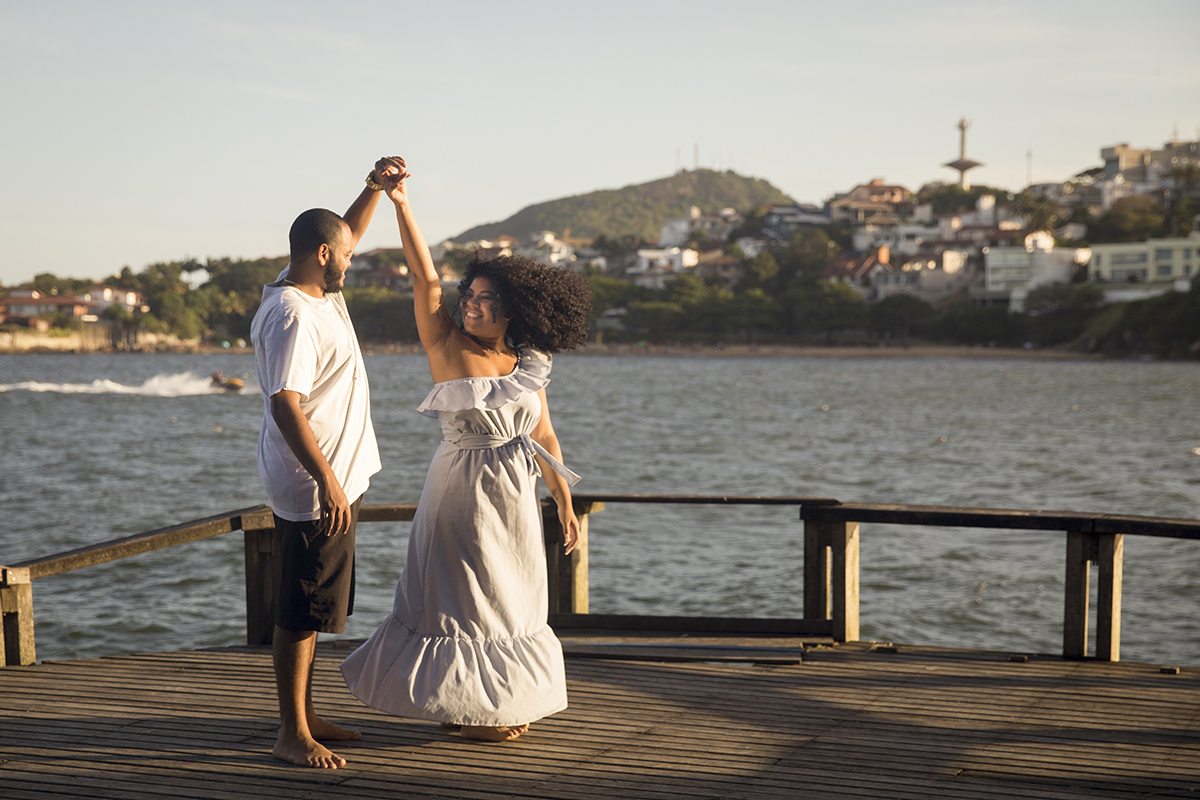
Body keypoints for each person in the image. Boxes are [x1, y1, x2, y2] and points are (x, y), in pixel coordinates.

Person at [340, 157, 592, 742]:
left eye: (484, 299)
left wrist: (565, 502)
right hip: (463, 490)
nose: (470, 304)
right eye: (470, 295)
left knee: (511, 598)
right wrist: (401, 204)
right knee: (465, 601)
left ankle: (501, 700)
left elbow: (545, 436)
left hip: (516, 495)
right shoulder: (445, 343)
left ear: (515, 312)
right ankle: (473, 709)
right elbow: (425, 280)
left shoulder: (528, 363)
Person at [250, 159, 392, 769]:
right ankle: (291, 733)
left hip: (333, 478)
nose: (352, 259)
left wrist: (373, 190)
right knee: (300, 607)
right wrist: (327, 479)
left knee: (314, 607)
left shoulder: (317, 288)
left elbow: (343, 231)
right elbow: (286, 404)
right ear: (320, 254)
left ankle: (305, 716)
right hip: (314, 485)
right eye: (345, 255)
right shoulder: (292, 315)